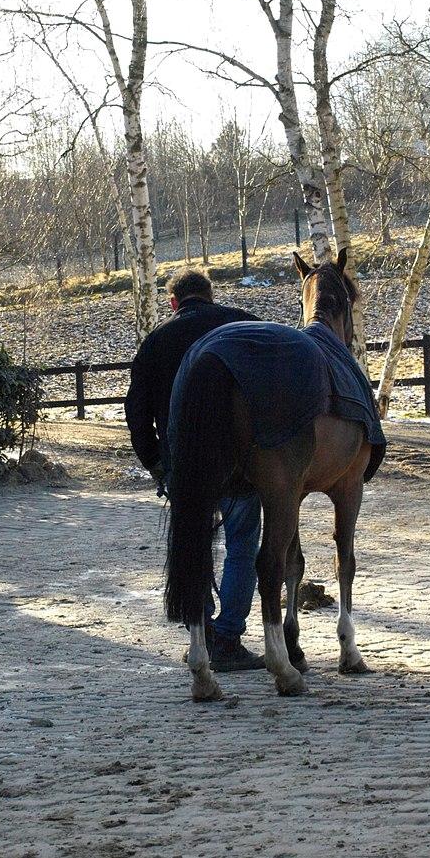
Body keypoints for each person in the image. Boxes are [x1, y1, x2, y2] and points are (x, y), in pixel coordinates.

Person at [124, 268, 264, 672]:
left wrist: (154, 461)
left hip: (183, 466)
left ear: (173, 303)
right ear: (212, 295)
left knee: (192, 544)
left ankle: (200, 634)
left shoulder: (156, 342)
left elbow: (136, 412)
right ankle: (229, 636)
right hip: (240, 463)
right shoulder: (244, 326)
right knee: (242, 545)